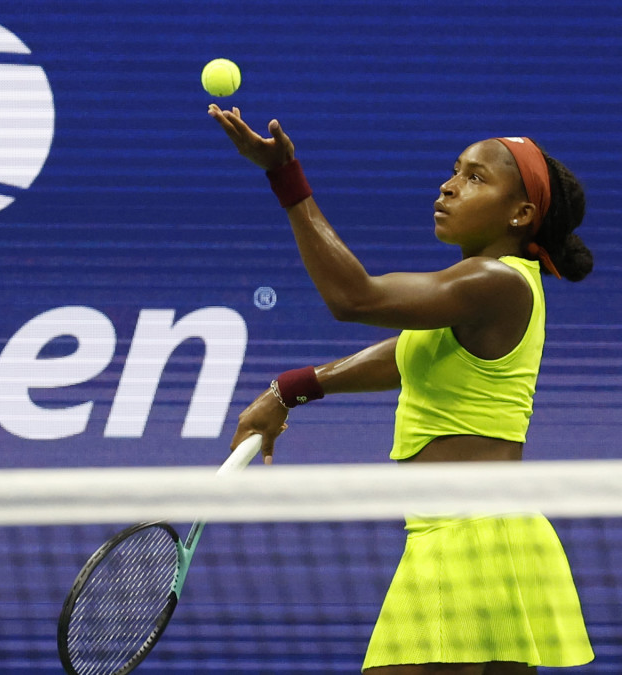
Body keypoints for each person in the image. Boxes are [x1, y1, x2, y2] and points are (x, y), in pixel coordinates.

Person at [208, 104, 595, 675]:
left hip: (464, 541)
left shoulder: (491, 280)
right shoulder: (494, 290)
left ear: (521, 214)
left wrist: (285, 177)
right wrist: (291, 389)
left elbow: (354, 299)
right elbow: (410, 354)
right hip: (497, 537)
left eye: (475, 178)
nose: (449, 185)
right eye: (455, 169)